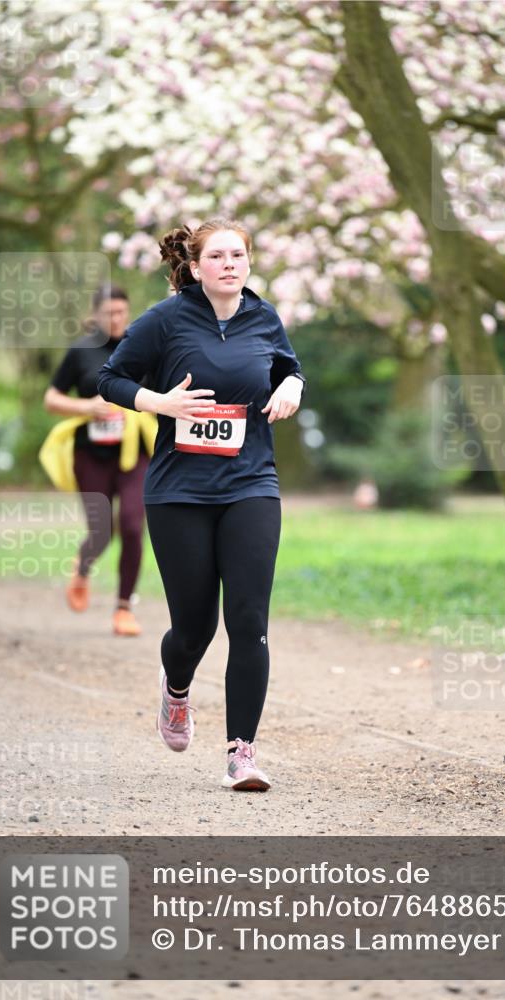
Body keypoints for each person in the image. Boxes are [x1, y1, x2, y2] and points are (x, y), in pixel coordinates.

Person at [97, 219, 305, 791]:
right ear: (194, 267)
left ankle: (242, 753)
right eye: (217, 256)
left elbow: (288, 367)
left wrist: (294, 386)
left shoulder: (264, 318)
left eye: (239, 254)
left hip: (251, 485)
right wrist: (160, 402)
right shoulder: (165, 320)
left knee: (248, 622)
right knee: (194, 627)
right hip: (179, 492)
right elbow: (109, 378)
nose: (230, 264)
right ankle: (177, 689)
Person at [43, 285, 152, 637]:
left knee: (134, 525)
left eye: (121, 312)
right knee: (101, 530)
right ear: (96, 315)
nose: (116, 319)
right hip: (91, 453)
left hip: (135, 453)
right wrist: (87, 407)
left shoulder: (143, 346)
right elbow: (52, 398)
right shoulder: (82, 350)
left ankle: (123, 608)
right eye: (108, 313)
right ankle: (83, 565)